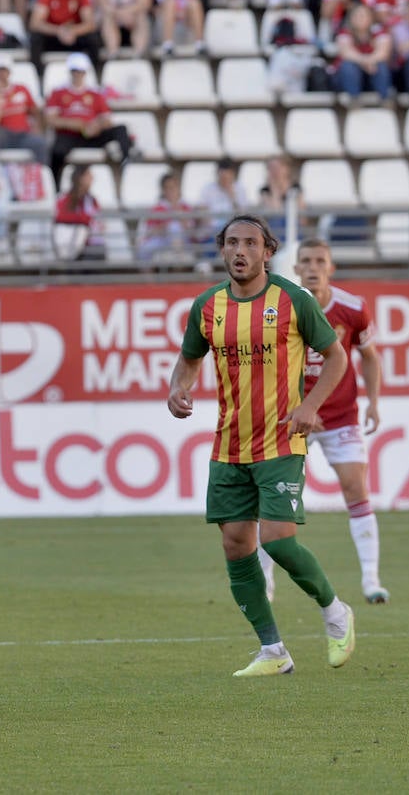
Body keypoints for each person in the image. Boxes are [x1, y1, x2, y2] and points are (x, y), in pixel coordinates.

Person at [166, 214, 356, 678]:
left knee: (277, 540)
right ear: (223, 249)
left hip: (280, 440)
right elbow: (188, 359)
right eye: (232, 243)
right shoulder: (207, 306)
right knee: (235, 545)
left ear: (267, 252)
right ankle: (273, 650)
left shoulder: (293, 300)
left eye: (250, 243)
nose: (240, 251)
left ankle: (336, 612)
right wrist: (178, 387)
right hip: (228, 445)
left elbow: (336, 357)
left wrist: (311, 405)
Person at [255, 239, 389, 604]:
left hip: (340, 415)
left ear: (331, 268)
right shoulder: (281, 309)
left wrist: (374, 403)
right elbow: (272, 368)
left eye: (320, 261)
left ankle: (371, 581)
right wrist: (296, 407)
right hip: (295, 417)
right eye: (305, 262)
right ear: (295, 269)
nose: (312, 267)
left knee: (355, 488)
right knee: (274, 496)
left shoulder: (352, 308)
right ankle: (265, 580)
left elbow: (369, 356)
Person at [44, 51, 134, 187]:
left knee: (121, 129)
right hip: (69, 135)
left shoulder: (95, 93)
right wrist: (76, 125)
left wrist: (96, 126)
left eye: (80, 70)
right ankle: (55, 184)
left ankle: (127, 163)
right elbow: (50, 120)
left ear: (85, 72)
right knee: (56, 152)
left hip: (91, 135)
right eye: (75, 70)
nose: (77, 74)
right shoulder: (58, 92)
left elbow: (107, 120)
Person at [26, 0, 98, 65]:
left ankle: (95, 72)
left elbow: (90, 24)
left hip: (74, 35)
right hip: (53, 35)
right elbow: (35, 23)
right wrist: (59, 31)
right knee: (35, 38)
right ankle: (38, 74)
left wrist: (73, 31)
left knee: (93, 38)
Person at [332, 4, 393, 102]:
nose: (360, 19)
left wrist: (368, 61)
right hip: (349, 78)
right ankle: (353, 100)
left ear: (371, 18)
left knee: (381, 66)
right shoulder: (344, 33)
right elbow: (346, 53)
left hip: (371, 74)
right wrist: (366, 61)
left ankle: (385, 100)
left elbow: (383, 53)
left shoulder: (379, 32)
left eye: (363, 15)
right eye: (357, 16)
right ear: (351, 19)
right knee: (348, 65)